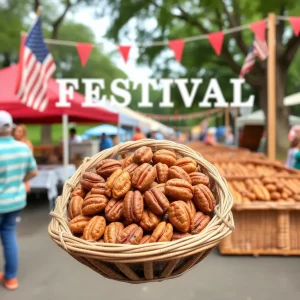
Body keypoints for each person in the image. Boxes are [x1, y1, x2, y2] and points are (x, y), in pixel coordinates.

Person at [0, 111, 38, 290]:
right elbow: (33, 172)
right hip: (16, 200)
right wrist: (20, 181)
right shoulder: (23, 147)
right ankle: (11, 278)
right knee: (9, 235)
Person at [13, 125, 33, 193]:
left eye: (19, 131)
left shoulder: (26, 144)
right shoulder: (12, 142)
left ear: (24, 133)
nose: (16, 133)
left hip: (22, 171)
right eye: (15, 131)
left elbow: (30, 160)